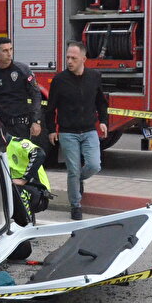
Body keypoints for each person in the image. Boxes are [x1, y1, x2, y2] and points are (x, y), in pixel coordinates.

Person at [44, 40, 108, 220]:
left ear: (83, 59)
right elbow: (50, 108)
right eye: (67, 58)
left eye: (73, 58)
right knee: (73, 170)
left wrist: (103, 121)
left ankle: (77, 180)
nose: (69, 61)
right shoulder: (59, 80)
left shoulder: (94, 76)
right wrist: (51, 130)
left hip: (89, 130)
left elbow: (101, 102)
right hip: (67, 132)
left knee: (94, 165)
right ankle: (75, 205)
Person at [0, 36, 43, 141]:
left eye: (11, 49)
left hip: (20, 127)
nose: (9, 53)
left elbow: (36, 95)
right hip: (0, 128)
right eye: (5, 51)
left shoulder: (22, 70)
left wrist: (36, 121)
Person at [6, 135, 51, 226]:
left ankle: (27, 222)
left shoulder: (17, 144)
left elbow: (39, 154)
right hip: (21, 188)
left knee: (15, 190)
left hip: (38, 190)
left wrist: (24, 179)